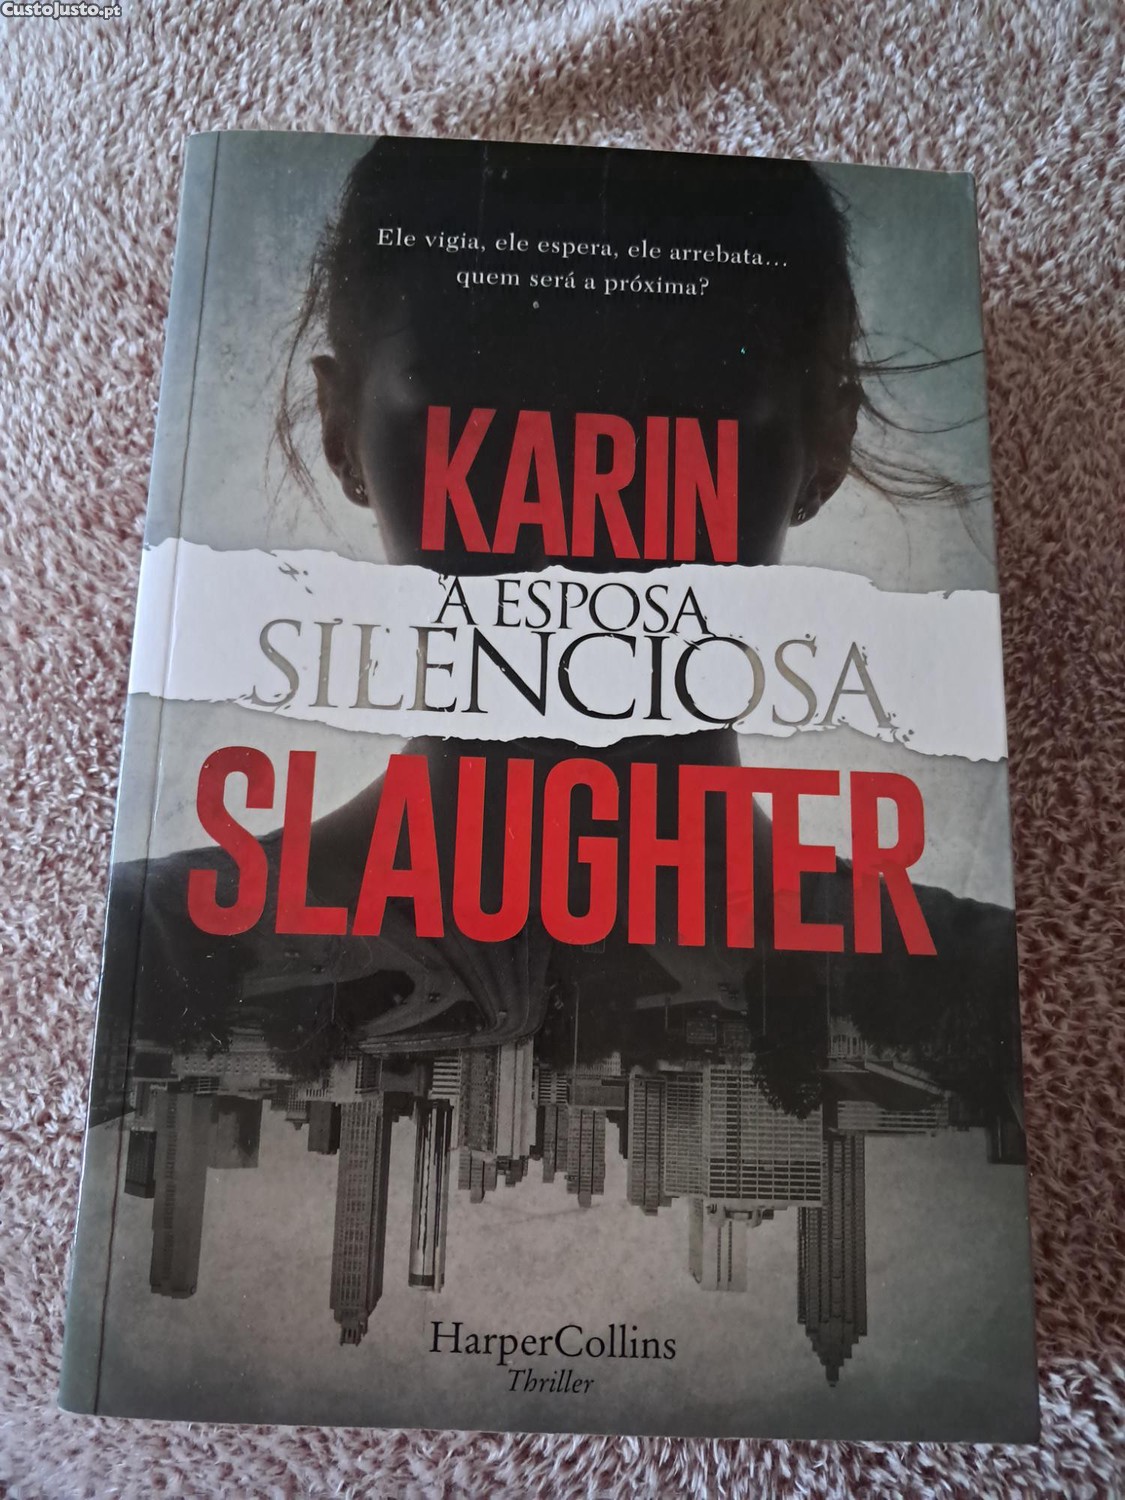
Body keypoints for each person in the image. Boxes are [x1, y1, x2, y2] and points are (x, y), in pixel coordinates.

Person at [104, 140, 1021, 1136]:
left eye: (681, 395)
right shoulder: (135, 949)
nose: (583, 483)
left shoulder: (990, 990)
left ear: (825, 445)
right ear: (341, 429)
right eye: (482, 394)